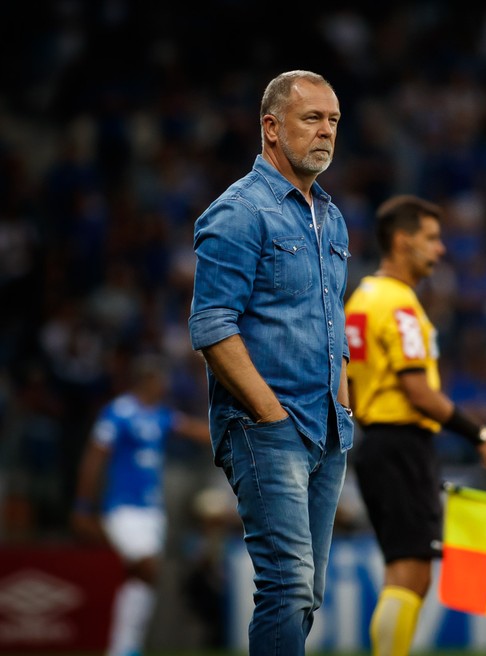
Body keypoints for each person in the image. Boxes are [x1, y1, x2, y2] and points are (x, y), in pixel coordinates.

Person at [187, 70, 354, 656]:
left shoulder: (330, 218)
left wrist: (343, 404)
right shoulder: (238, 212)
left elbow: (335, 328)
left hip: (327, 426)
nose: (326, 132)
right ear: (271, 127)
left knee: (305, 589)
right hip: (269, 427)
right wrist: (270, 413)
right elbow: (210, 326)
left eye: (333, 120)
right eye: (312, 119)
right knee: (285, 584)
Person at [345, 194, 486, 656]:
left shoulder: (361, 299)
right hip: (401, 443)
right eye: (432, 239)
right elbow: (418, 391)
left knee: (406, 570)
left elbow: (351, 388)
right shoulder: (398, 305)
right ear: (402, 241)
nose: (440, 250)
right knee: (409, 572)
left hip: (377, 443)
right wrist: (480, 433)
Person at [72, 353, 210, 656]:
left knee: (146, 575)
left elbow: (190, 429)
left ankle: (127, 645)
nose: (165, 385)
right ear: (148, 379)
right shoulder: (118, 413)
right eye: (160, 380)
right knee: (146, 567)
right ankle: (124, 646)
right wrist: (83, 505)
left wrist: (227, 433)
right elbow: (94, 457)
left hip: (151, 509)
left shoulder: (159, 415)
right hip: (122, 506)